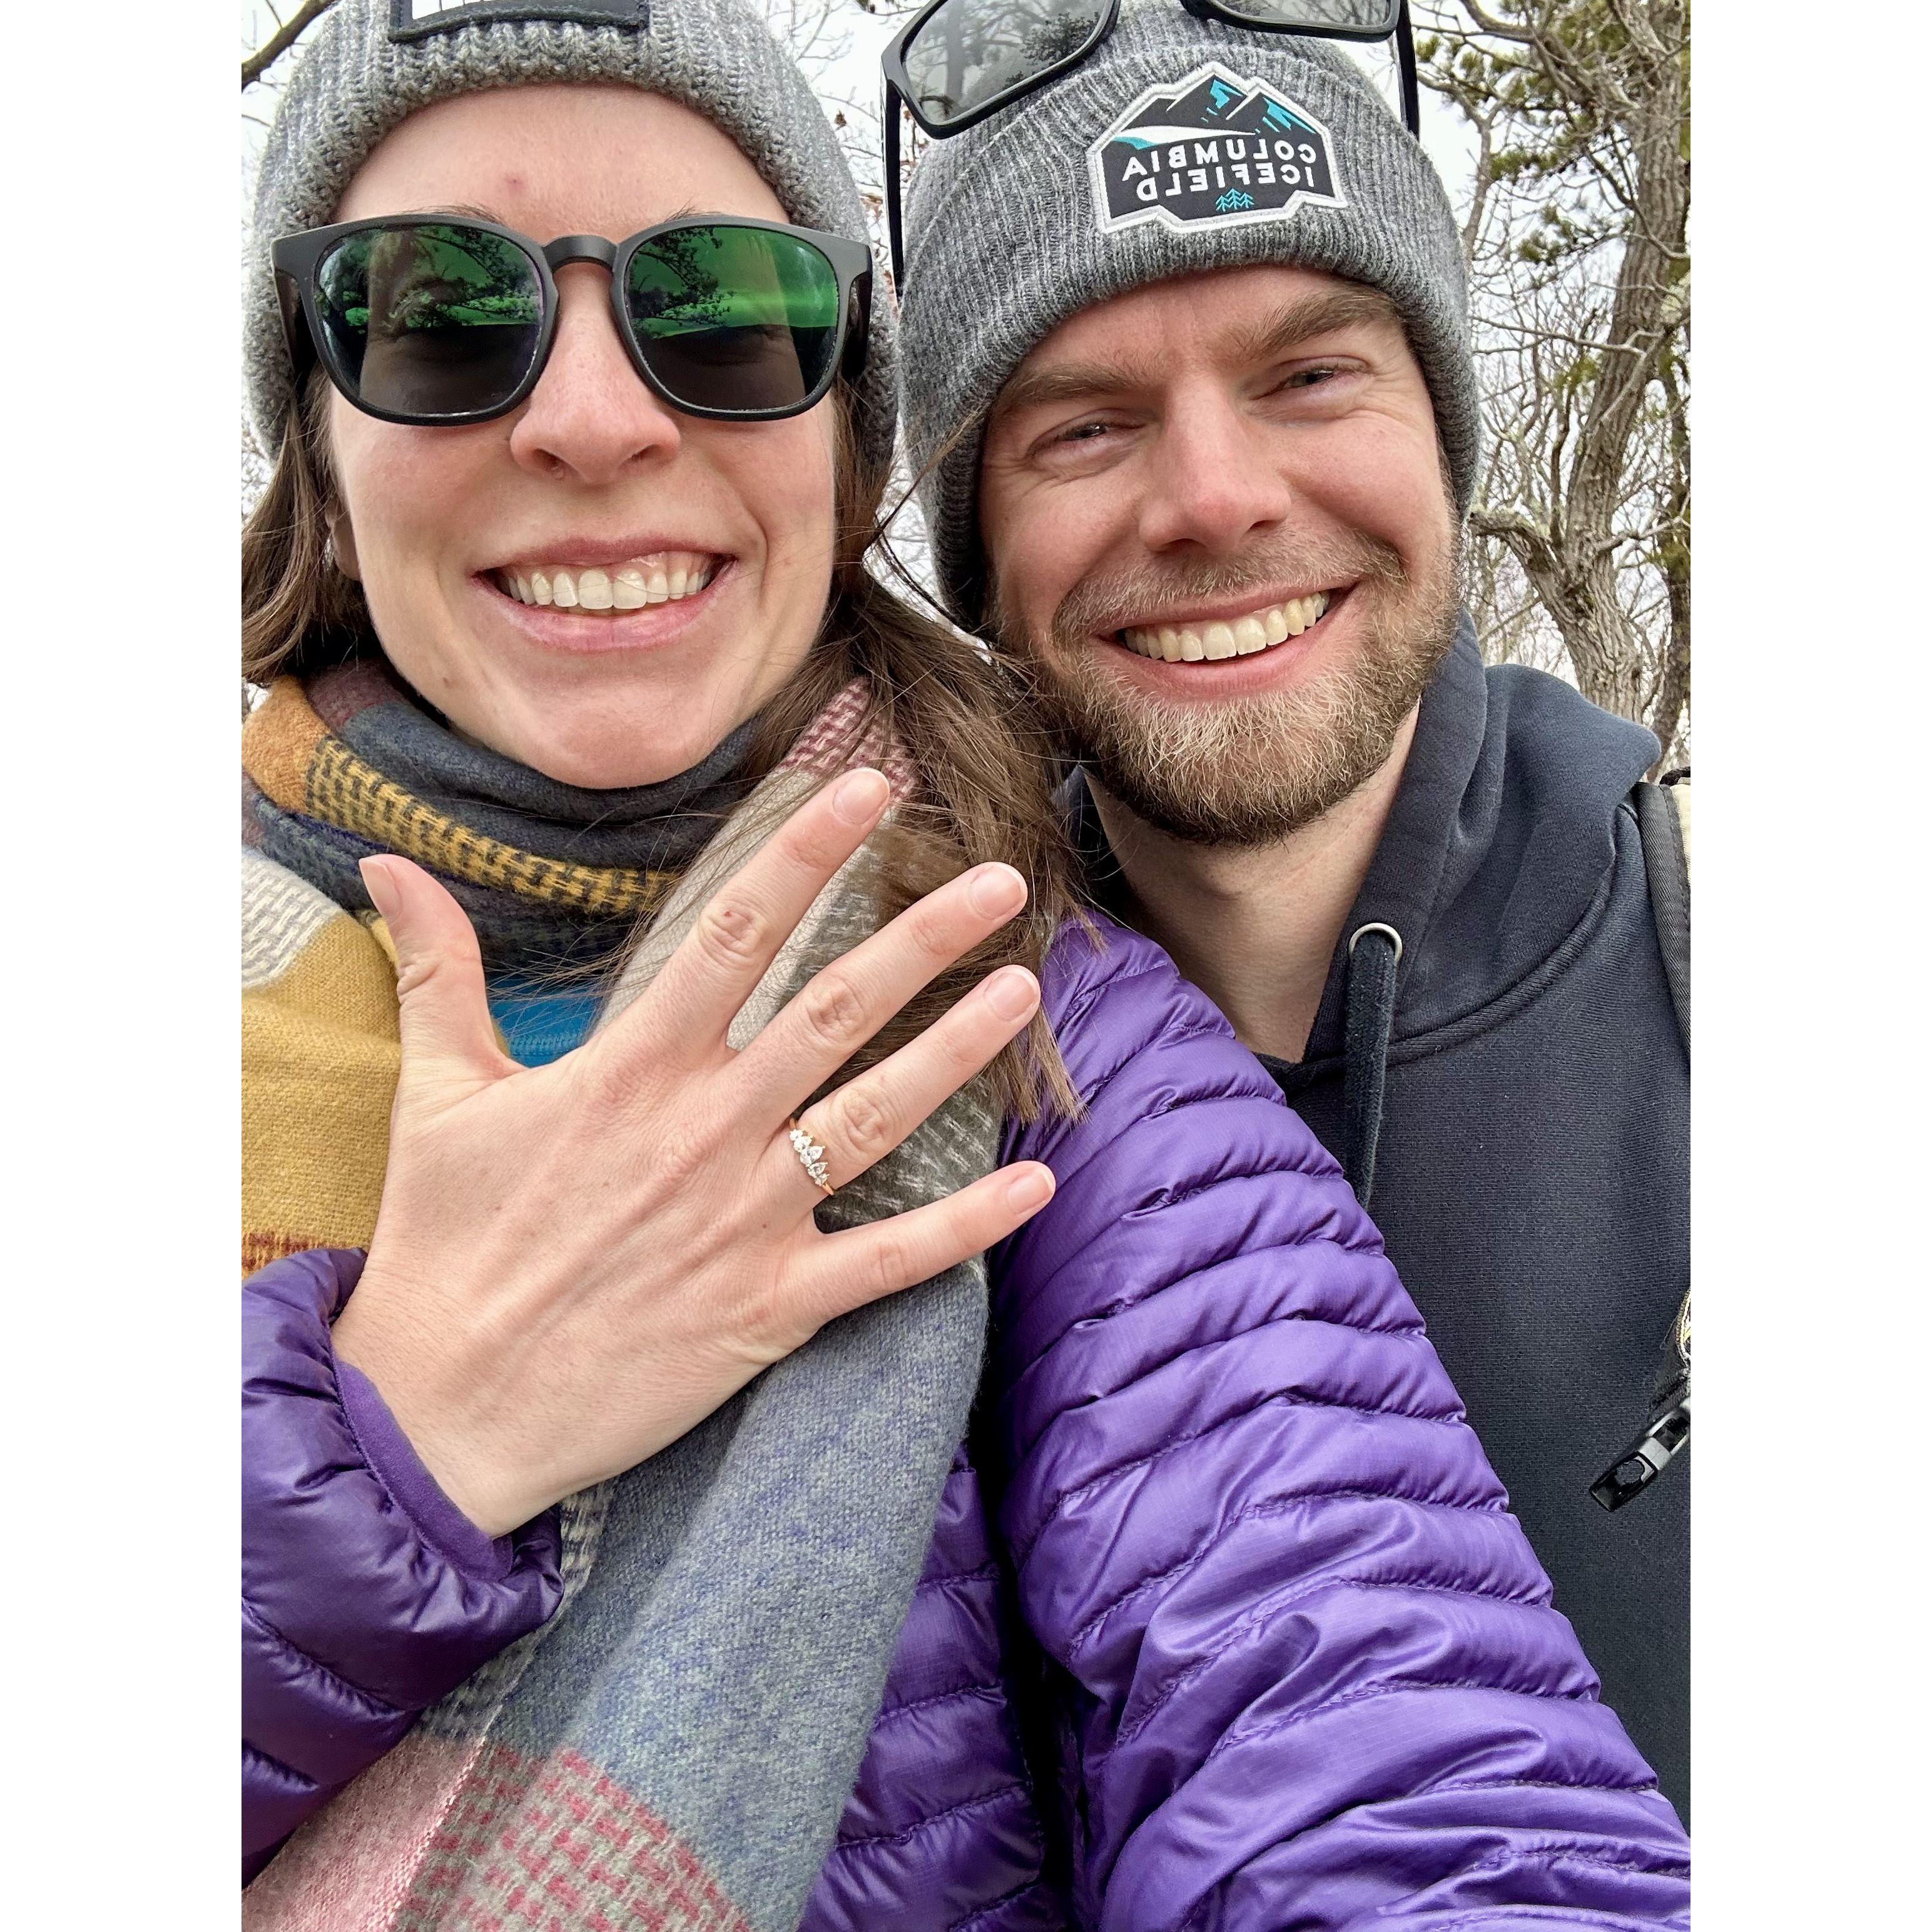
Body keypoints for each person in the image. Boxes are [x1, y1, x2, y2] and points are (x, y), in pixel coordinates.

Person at [240, 3, 1690, 1926]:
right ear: (317, 452)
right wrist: (380, 1448)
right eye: (432, 311)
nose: (594, 417)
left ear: (839, 471)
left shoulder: (1010, 1009)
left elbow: (1371, 1736)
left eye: (723, 309)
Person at [893, 0, 1692, 1811]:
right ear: (976, 551)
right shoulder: (876, 1087)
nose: (1216, 498)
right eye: (1084, 426)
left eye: (1310, 376)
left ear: (1442, 434)